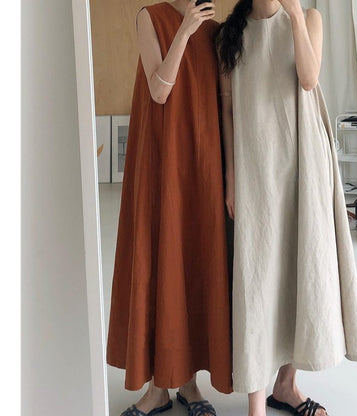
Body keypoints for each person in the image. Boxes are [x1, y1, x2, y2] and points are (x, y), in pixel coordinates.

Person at [216, 0, 357, 415]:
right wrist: (231, 175)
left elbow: (308, 78)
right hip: (255, 167)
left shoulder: (309, 19)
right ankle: (255, 403)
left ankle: (286, 384)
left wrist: (297, 17)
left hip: (304, 164)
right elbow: (227, 110)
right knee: (256, 278)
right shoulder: (230, 34)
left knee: (299, 268)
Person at [106, 1, 232, 415]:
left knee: (194, 266)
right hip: (162, 163)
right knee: (159, 264)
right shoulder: (150, 17)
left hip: (201, 163)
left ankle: (190, 386)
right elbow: (160, 90)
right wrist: (184, 31)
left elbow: (224, 104)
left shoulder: (216, 31)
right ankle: (156, 388)